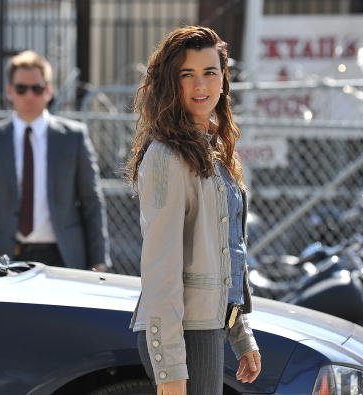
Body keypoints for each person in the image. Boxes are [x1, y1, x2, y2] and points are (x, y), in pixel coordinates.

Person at [127, 26, 262, 394]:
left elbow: (225, 253)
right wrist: (170, 367)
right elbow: (160, 270)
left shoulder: (214, 147)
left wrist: (240, 332)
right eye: (187, 75)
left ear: (223, 79)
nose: (200, 85)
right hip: (183, 332)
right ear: (171, 83)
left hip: (207, 326)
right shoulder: (165, 156)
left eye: (209, 72)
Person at [0, 50, 110, 271]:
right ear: (10, 91)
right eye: (22, 89)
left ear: (48, 91)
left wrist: (99, 259)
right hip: (6, 258)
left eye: (37, 88)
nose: (29, 95)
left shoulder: (73, 138)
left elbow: (91, 201)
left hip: (63, 257)